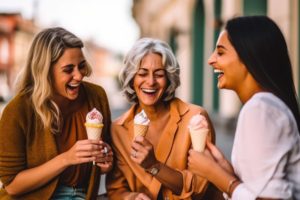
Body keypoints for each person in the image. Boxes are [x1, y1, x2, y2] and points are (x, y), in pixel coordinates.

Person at [188, 15, 300, 199]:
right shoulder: (265, 106)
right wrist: (226, 170)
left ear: (249, 57)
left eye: (221, 52)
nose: (210, 60)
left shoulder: (260, 108)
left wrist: (217, 175)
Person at [0, 27, 113, 199]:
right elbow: (12, 185)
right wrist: (66, 159)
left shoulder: (96, 96)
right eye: (68, 70)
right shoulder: (18, 110)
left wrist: (106, 163)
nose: (79, 76)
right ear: (45, 71)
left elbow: (105, 162)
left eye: (81, 66)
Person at [106, 37, 221, 200]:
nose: (151, 82)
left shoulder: (195, 118)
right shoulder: (118, 129)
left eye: (159, 74)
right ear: (132, 79)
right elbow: (116, 190)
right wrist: (131, 197)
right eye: (142, 74)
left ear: (169, 80)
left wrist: (153, 166)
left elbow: (199, 187)